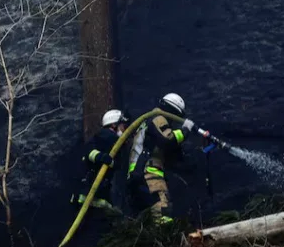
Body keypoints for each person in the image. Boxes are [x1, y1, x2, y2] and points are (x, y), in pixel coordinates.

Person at [127, 93, 195, 224]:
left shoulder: (146, 122)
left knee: (144, 215)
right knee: (161, 207)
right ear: (173, 111)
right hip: (149, 172)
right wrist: (185, 131)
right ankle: (165, 239)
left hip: (138, 173)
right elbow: (167, 140)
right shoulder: (158, 118)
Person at [71, 109, 129, 213]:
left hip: (94, 196)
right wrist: (102, 158)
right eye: (123, 126)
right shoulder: (107, 137)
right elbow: (90, 153)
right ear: (114, 125)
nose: (125, 130)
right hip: (89, 196)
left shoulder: (103, 138)